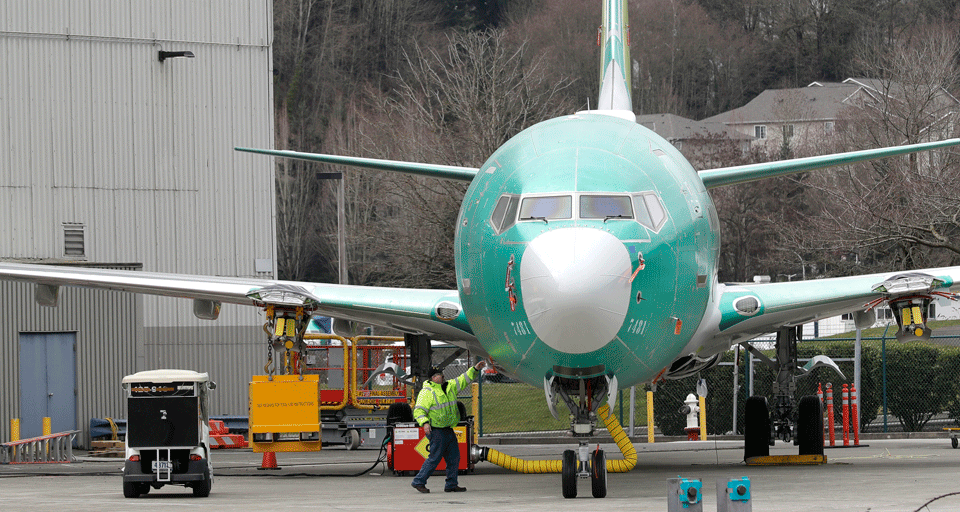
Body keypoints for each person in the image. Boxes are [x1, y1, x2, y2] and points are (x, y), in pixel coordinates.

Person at [411, 359, 486, 493]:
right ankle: (418, 481)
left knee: (454, 457)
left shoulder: (450, 386)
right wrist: (425, 423)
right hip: (437, 431)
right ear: (434, 378)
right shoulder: (427, 392)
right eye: (440, 374)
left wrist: (475, 369)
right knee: (434, 458)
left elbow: (464, 379)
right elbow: (419, 410)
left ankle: (451, 484)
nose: (443, 376)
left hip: (448, 430)